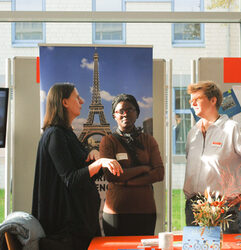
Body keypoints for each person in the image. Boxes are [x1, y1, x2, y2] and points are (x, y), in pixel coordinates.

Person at [32, 83, 123, 250]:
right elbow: (71, 179)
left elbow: (82, 177)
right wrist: (100, 163)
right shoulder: (55, 135)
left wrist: (92, 161)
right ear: (64, 102)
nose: (82, 101)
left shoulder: (66, 134)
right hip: (68, 231)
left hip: (80, 225)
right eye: (77, 97)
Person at [183, 81, 241, 233]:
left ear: (213, 100)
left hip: (224, 207)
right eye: (191, 100)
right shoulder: (193, 133)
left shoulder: (232, 129)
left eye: (197, 99)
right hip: (194, 206)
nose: (192, 103)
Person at [100, 93, 164, 236]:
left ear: (137, 113)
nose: (125, 114)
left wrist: (126, 182)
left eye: (129, 110)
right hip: (116, 212)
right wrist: (144, 169)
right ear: (114, 115)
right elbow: (111, 175)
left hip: (145, 211)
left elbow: (159, 173)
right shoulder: (108, 141)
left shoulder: (149, 140)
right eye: (120, 111)